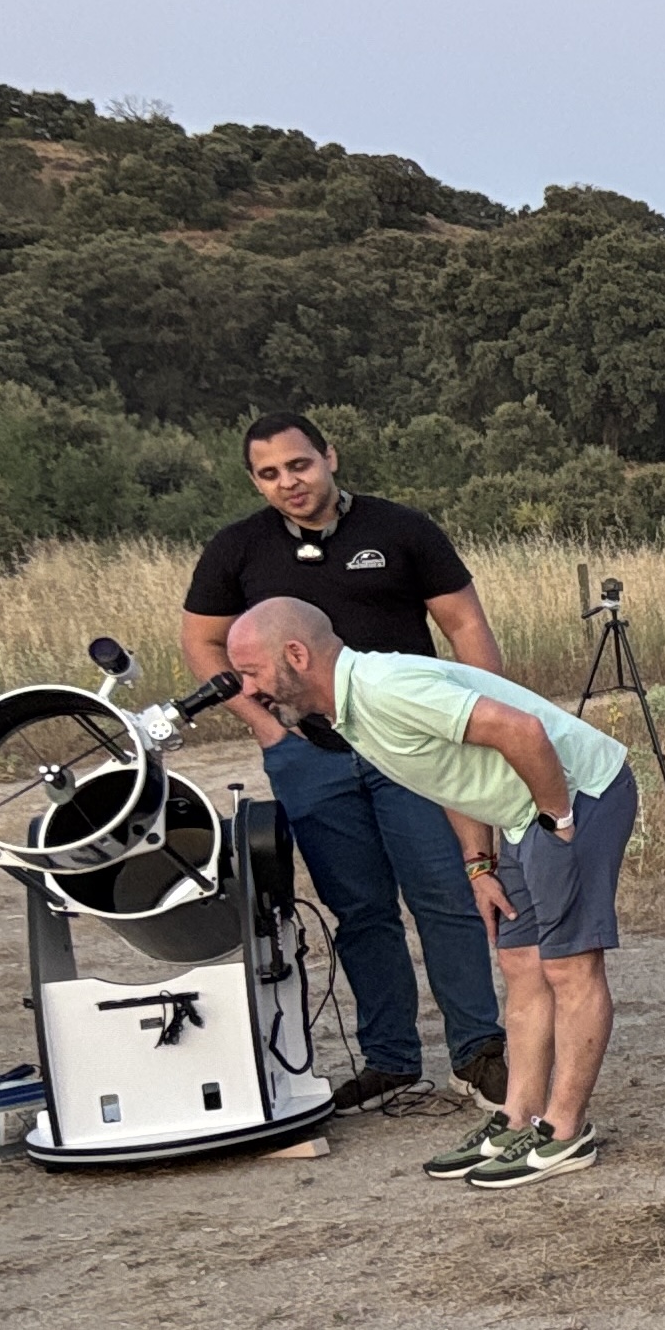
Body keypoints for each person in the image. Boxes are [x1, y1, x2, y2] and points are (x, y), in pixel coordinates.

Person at [223, 599, 638, 1189]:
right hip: (522, 813)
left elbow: (521, 730)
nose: (247, 690)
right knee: (521, 964)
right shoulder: (348, 711)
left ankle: (566, 1131)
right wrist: (479, 865)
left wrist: (558, 819)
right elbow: (447, 770)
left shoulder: (386, 689)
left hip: (574, 795)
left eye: (252, 672)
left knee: (569, 967)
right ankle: (516, 1119)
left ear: (296, 654)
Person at [179, 413, 508, 1112]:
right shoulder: (237, 549)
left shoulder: (401, 529)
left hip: (412, 748)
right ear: (255, 482)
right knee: (359, 911)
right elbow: (201, 643)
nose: (289, 483)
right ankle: (391, 1059)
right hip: (311, 756)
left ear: (329, 456)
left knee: (445, 896)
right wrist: (265, 729)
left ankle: (477, 1051)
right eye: (269, 474)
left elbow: (465, 624)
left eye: (299, 465)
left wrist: (483, 714)